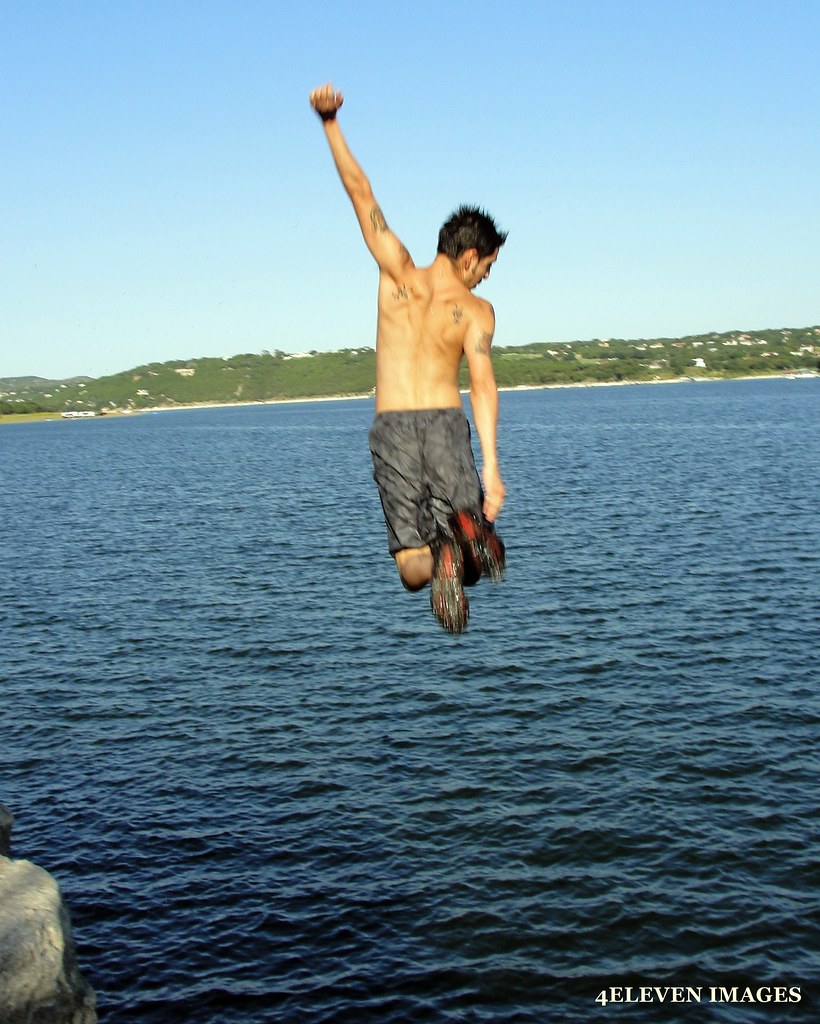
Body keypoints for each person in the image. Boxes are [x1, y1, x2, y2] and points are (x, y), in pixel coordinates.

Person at [310, 83, 507, 633]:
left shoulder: (396, 273)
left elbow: (361, 194)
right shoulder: (477, 311)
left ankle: (443, 549)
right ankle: (461, 538)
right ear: (470, 256)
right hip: (445, 425)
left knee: (413, 571)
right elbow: (484, 386)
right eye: (488, 265)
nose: (488, 276)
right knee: (477, 563)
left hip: (393, 426)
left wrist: (330, 123)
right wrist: (491, 467)